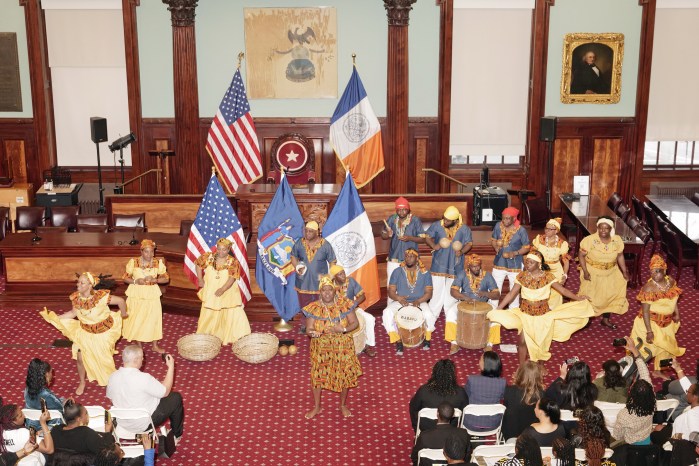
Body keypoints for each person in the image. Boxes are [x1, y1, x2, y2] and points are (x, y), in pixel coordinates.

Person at [487, 251, 594, 365]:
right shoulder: (522, 276)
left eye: (531, 263)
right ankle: (522, 367)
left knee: (542, 343)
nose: (527, 265)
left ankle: (540, 367)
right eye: (527, 262)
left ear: (538, 264)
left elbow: (562, 290)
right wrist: (499, 308)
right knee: (523, 342)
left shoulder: (548, 277)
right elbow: (511, 294)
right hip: (525, 314)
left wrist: (577, 298)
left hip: (543, 315)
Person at [40, 272, 127, 394]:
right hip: (84, 332)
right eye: (78, 281)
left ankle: (113, 381)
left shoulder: (101, 297)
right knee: (80, 358)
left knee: (104, 360)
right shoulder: (76, 298)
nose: (78, 284)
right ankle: (82, 382)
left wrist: (124, 314)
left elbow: (121, 301)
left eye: (82, 282)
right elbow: (73, 313)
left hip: (103, 333)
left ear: (90, 285)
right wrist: (56, 318)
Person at [303, 276, 362, 419]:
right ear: (320, 292)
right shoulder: (314, 308)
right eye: (324, 290)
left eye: (330, 290)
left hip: (342, 346)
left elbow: (355, 323)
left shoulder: (345, 304)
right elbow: (308, 329)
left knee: (344, 375)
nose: (327, 293)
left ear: (335, 291)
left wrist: (342, 329)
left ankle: (342, 405)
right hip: (321, 347)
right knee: (317, 376)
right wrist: (313, 333)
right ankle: (317, 407)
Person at [106, 344, 184, 442]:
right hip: (143, 424)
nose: (143, 360)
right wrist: (171, 367)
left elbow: (111, 399)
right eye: (142, 358)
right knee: (175, 398)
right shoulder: (144, 378)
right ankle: (176, 435)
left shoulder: (113, 376)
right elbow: (166, 391)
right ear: (136, 360)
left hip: (123, 423)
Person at [631, 254, 685, 373]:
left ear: (664, 271)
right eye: (652, 272)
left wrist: (676, 313)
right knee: (646, 349)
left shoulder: (671, 282)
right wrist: (649, 331)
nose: (654, 275)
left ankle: (659, 371)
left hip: (667, 323)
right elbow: (645, 311)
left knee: (667, 349)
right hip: (651, 323)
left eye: (657, 272)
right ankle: (636, 370)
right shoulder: (648, 288)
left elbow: (673, 298)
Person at [195, 237, 251, 345]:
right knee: (210, 311)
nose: (221, 252)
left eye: (224, 249)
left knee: (230, 310)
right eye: (219, 249)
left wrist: (223, 289)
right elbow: (198, 264)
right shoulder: (208, 256)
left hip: (227, 292)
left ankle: (232, 335)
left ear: (229, 249)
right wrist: (200, 279)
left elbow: (232, 278)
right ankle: (208, 335)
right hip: (211, 290)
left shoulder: (233, 262)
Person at [489, 207, 531, 347]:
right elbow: (493, 239)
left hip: (514, 264)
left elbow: (527, 247)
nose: (505, 220)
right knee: (495, 290)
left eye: (508, 218)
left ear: (514, 219)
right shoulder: (498, 226)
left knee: (515, 294)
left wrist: (514, 253)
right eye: (503, 217)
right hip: (499, 263)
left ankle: (513, 320)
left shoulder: (521, 230)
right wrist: (496, 246)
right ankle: (494, 318)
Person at [578, 216, 629, 330]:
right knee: (591, 296)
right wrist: (585, 271)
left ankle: (605, 319)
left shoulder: (617, 240)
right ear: (597, 228)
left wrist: (624, 271)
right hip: (592, 273)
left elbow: (620, 256)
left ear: (611, 228)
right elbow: (581, 256)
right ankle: (586, 319)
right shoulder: (589, 240)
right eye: (601, 228)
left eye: (606, 228)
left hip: (611, 272)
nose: (603, 231)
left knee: (610, 295)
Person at [424, 206, 473, 325]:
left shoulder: (464, 229)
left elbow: (469, 243)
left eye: (448, 220)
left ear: (455, 220)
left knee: (452, 294)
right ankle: (431, 319)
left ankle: (450, 319)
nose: (445, 221)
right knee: (436, 293)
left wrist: (461, 251)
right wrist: (433, 246)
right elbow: (427, 236)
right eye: (444, 219)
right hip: (438, 265)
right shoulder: (437, 225)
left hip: (455, 265)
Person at [382, 248, 435, 354]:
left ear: (417, 259)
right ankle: (397, 340)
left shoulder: (425, 273)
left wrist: (419, 301)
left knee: (429, 315)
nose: (408, 259)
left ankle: (427, 339)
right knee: (386, 312)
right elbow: (391, 291)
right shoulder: (397, 271)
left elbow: (429, 293)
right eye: (406, 256)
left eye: (411, 256)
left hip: (419, 301)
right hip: (401, 301)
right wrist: (398, 298)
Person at [122, 239, 170, 353]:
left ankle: (155, 345)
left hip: (152, 294)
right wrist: (135, 281)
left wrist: (156, 280)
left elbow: (166, 278)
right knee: (137, 318)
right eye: (147, 252)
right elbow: (125, 277)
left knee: (154, 318)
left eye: (152, 252)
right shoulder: (133, 262)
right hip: (136, 295)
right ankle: (139, 345)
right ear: (141, 251)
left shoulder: (158, 263)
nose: (150, 255)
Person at [446, 254, 500, 355]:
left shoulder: (487, 275)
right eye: (473, 266)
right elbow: (453, 291)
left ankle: (489, 344)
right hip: (464, 303)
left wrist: (485, 293)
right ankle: (454, 343)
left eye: (478, 266)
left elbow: (497, 294)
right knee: (450, 313)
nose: (476, 268)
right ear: (469, 266)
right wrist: (465, 298)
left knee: (497, 316)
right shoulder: (462, 274)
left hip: (484, 304)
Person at [612, 338, 654, 446]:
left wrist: (635, 350)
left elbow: (617, 436)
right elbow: (644, 373)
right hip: (647, 437)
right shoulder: (653, 402)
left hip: (630, 443)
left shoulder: (625, 415)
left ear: (632, 395)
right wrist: (635, 351)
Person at [290, 220, 337, 318]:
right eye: (306, 230)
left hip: (319, 282)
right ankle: (305, 325)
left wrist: (330, 277)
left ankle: (320, 324)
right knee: (304, 305)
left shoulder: (325, 244)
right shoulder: (300, 243)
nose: (307, 233)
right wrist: (297, 266)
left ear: (317, 232)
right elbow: (293, 256)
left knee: (320, 305)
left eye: (310, 231)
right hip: (303, 282)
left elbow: (332, 261)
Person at [330, 264, 376, 357]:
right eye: (340, 274)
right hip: (337, 313)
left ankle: (366, 345)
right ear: (334, 277)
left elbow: (362, 296)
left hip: (353, 309)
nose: (343, 275)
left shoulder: (350, 281)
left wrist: (354, 304)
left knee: (370, 319)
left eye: (343, 272)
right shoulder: (329, 286)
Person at [409, 359, 469, 432]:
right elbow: (465, 411)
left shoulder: (423, 390)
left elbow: (414, 408)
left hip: (426, 427)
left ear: (434, 373)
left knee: (412, 402)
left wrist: (416, 427)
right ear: (452, 375)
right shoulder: (460, 392)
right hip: (451, 426)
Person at [381, 196, 425, 293]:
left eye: (404, 209)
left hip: (411, 258)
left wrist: (410, 238)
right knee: (391, 283)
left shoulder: (415, 220)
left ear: (408, 209)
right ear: (396, 210)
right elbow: (383, 235)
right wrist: (387, 234)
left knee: (410, 283)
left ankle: (408, 306)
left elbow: (422, 239)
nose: (401, 212)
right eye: (399, 210)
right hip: (394, 256)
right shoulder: (392, 219)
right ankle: (392, 306)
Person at [50, 400, 114, 455]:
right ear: (78, 419)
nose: (87, 415)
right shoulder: (85, 433)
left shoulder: (55, 430)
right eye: (86, 413)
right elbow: (106, 452)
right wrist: (108, 431)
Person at [531, 218, 570, 309]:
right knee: (540, 291)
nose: (547, 231)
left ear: (556, 231)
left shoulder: (562, 243)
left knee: (555, 293)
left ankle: (554, 313)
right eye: (546, 228)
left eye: (550, 229)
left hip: (556, 270)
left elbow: (566, 261)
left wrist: (564, 275)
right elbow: (533, 254)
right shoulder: (539, 239)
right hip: (540, 269)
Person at [463, 351, 506, 432]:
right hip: (493, 424)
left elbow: (466, 395)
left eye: (480, 359)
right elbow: (502, 397)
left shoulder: (472, 380)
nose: (478, 361)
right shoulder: (502, 382)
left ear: (484, 366)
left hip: (470, 423)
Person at [503, 361, 545, 441]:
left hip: (511, 433)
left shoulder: (509, 390)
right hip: (533, 434)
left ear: (519, 373)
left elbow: (505, 411)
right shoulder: (542, 394)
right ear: (538, 376)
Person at [24, 358, 64, 430]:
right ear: (47, 374)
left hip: (30, 426)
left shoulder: (27, 390)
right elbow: (61, 409)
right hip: (47, 428)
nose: (52, 375)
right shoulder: (46, 395)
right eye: (51, 372)